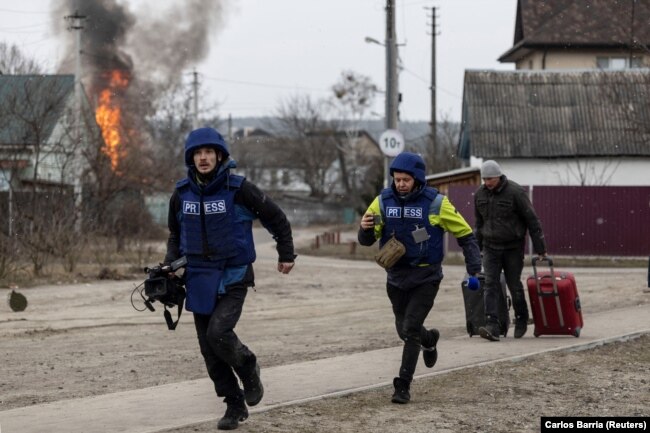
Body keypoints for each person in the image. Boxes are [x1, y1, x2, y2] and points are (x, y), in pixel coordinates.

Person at [163, 127, 296, 430]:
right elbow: (175, 235)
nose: (204, 158)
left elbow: (275, 217)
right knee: (210, 351)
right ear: (191, 158)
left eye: (209, 152)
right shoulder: (182, 194)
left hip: (234, 276)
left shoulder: (239, 189)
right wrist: (170, 265)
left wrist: (285, 252)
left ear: (220, 155)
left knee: (219, 333)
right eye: (198, 153)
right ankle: (234, 404)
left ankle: (248, 365)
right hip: (198, 279)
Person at [358, 152, 481, 404]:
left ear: (418, 179)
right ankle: (430, 339)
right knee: (404, 331)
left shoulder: (436, 203)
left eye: (406, 179)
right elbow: (367, 239)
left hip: (426, 277)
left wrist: (474, 268)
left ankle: (402, 385)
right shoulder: (383, 201)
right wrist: (364, 228)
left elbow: (466, 235)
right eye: (397, 179)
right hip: (395, 277)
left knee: (410, 328)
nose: (401, 184)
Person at [474, 160, 547, 342]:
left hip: (513, 247)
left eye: (490, 179)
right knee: (490, 284)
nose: (487, 182)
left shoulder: (515, 192)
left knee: (514, 285)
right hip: (490, 247)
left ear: (499, 176)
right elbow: (478, 224)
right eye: (484, 179)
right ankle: (492, 324)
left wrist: (540, 249)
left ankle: (521, 318)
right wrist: (476, 250)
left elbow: (532, 220)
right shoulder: (480, 195)